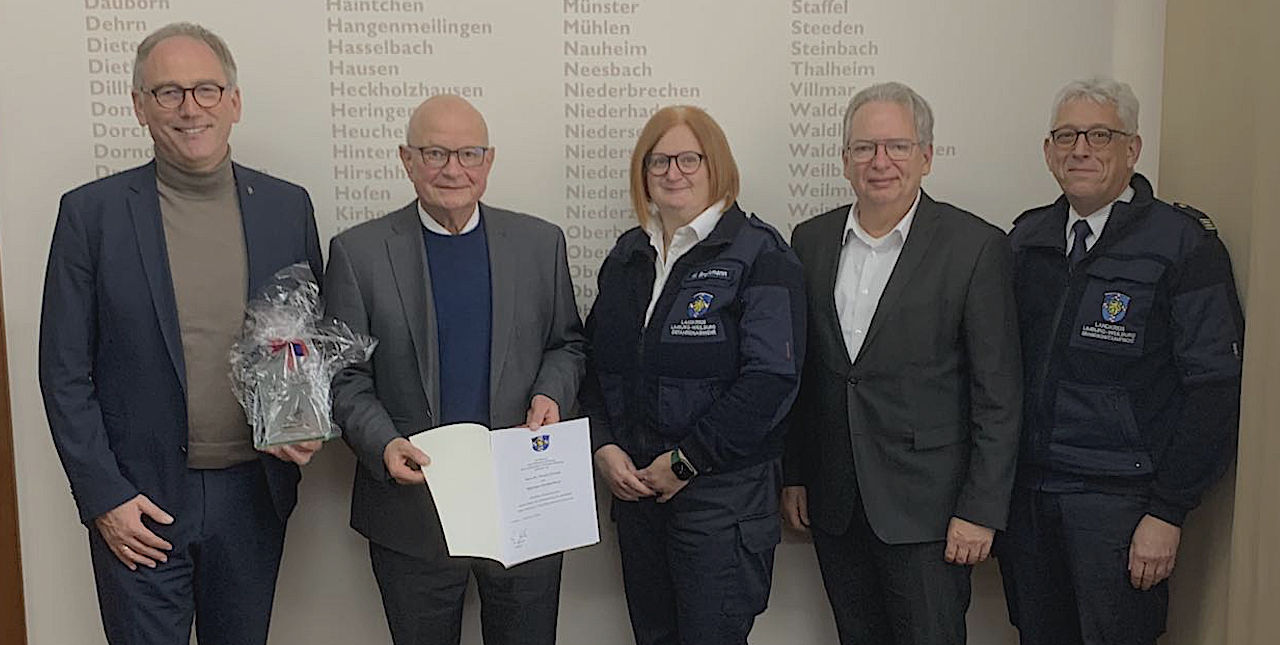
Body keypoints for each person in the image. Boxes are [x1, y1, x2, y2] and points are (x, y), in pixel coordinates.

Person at [38, 22, 323, 645]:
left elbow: (303, 336)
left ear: (234, 101)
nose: (190, 108)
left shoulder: (287, 206)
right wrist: (103, 496)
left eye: (206, 89)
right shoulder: (92, 216)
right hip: (138, 505)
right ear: (140, 106)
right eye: (168, 92)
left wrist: (303, 418)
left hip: (253, 497)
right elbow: (62, 372)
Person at [325, 94, 586, 645]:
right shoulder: (358, 253)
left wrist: (550, 394)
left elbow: (567, 346)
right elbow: (344, 375)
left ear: (488, 161)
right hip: (411, 506)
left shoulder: (540, 244)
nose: (453, 169)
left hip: (523, 505)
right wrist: (383, 444)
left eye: (469, 153)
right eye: (435, 152)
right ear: (407, 159)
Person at [998, 77, 1244, 645]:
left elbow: (1214, 388)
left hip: (1120, 506)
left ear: (1131, 150)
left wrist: (1169, 510)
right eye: (1066, 136)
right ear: (1048, 150)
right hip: (1030, 499)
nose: (1079, 149)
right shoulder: (1025, 240)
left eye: (1099, 135)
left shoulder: (1182, 244)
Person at [781, 81, 1022, 645]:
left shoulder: (975, 246)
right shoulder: (810, 241)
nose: (880, 162)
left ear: (927, 156)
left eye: (897, 147)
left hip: (932, 513)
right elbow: (806, 372)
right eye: (864, 148)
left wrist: (981, 509)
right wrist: (796, 473)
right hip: (836, 502)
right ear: (845, 161)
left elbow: (999, 394)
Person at [581, 105, 806, 645]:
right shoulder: (630, 255)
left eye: (688, 158)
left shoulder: (760, 254)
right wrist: (604, 446)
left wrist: (686, 461)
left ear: (716, 166)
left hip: (721, 501)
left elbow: (771, 381)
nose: (672, 172)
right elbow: (597, 365)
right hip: (636, 494)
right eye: (658, 161)